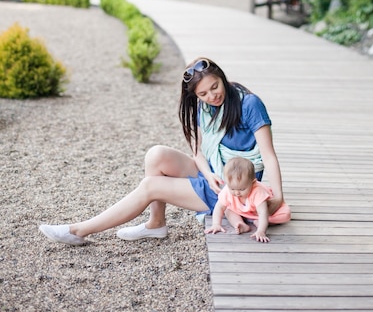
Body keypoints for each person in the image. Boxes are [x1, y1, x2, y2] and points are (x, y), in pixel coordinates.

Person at [39, 57, 290, 246]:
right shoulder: (204, 108)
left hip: (235, 185)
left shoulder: (249, 104)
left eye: (215, 87)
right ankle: (156, 224)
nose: (212, 95)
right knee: (155, 155)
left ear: (222, 78)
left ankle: (78, 231)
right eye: (203, 93)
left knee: (151, 186)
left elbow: (268, 155)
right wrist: (208, 174)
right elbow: (198, 154)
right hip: (214, 175)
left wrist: (276, 197)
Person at [205, 157, 290, 243]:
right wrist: (216, 224)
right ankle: (239, 223)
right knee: (228, 210)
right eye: (232, 188)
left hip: (257, 213)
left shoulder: (257, 191)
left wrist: (261, 231)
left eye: (242, 189)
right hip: (240, 211)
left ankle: (259, 222)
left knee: (284, 215)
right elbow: (219, 207)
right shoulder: (228, 190)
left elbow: (263, 212)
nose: (237, 193)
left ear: (253, 183)